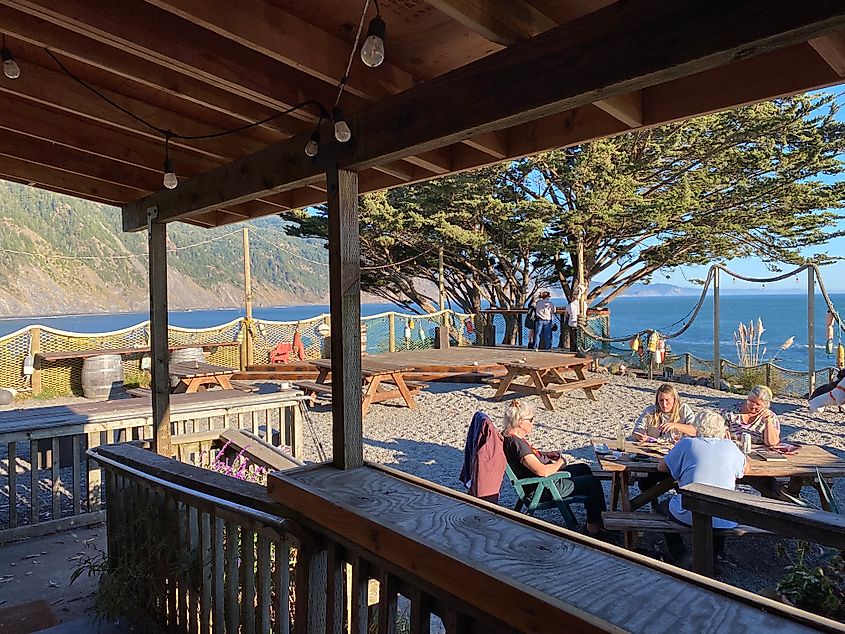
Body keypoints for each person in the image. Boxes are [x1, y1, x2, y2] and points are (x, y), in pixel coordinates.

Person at [502, 400, 609, 538]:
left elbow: (527, 457)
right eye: (531, 420)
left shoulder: (510, 437)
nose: (533, 423)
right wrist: (559, 462)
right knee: (592, 483)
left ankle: (596, 520)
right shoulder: (517, 444)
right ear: (521, 422)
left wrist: (545, 454)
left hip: (543, 482)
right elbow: (542, 471)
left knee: (584, 468)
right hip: (544, 487)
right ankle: (593, 531)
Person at [656, 410, 748, 568]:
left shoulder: (688, 444)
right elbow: (746, 470)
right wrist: (727, 442)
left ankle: (680, 552)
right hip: (726, 516)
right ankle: (716, 554)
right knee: (719, 501)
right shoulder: (730, 446)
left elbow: (662, 467)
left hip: (691, 512)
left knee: (660, 507)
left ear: (697, 427)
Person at [632, 383, 696, 493]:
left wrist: (675, 425)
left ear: (674, 399)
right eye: (661, 401)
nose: (664, 404)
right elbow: (637, 430)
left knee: (680, 479)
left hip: (677, 457)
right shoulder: (651, 411)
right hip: (654, 456)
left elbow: (695, 430)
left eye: (667, 400)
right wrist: (640, 435)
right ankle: (650, 500)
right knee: (644, 483)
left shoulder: (683, 410)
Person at [563, 288, 580, 352]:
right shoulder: (582, 304)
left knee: (573, 337)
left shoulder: (570, 305)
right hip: (580, 323)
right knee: (579, 337)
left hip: (572, 323)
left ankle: (573, 349)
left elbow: (566, 314)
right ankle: (579, 348)